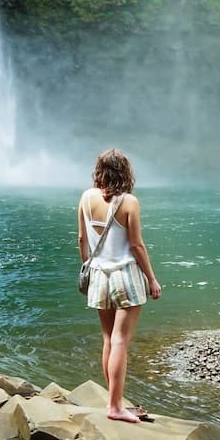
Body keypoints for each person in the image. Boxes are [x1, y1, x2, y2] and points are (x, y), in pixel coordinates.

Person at [77, 148, 161, 423]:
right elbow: (136, 245)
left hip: (99, 275)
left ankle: (115, 401)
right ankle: (115, 406)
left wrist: (90, 266)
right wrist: (152, 278)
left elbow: (82, 241)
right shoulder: (130, 203)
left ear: (99, 170)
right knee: (121, 341)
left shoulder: (86, 198)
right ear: (125, 172)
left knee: (108, 340)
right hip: (125, 275)